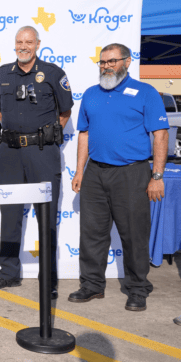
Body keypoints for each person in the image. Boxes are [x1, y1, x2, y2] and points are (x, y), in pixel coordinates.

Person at [70, 43, 168, 312]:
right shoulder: (91, 94)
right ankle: (91, 285)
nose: (106, 66)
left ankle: (137, 288)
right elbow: (84, 135)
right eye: (102, 62)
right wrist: (80, 171)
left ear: (127, 61)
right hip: (95, 172)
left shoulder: (146, 93)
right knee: (92, 233)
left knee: (134, 233)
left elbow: (160, 135)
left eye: (112, 61)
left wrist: (157, 176)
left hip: (132, 173)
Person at [0, 25, 73, 299]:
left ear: (37, 44)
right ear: (15, 45)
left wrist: (42, 136)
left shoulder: (54, 74)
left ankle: (48, 279)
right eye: (19, 42)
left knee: (45, 216)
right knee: (10, 215)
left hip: (42, 152)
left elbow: (65, 111)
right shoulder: (1, 74)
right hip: (11, 153)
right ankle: (8, 273)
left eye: (28, 42)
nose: (23, 46)